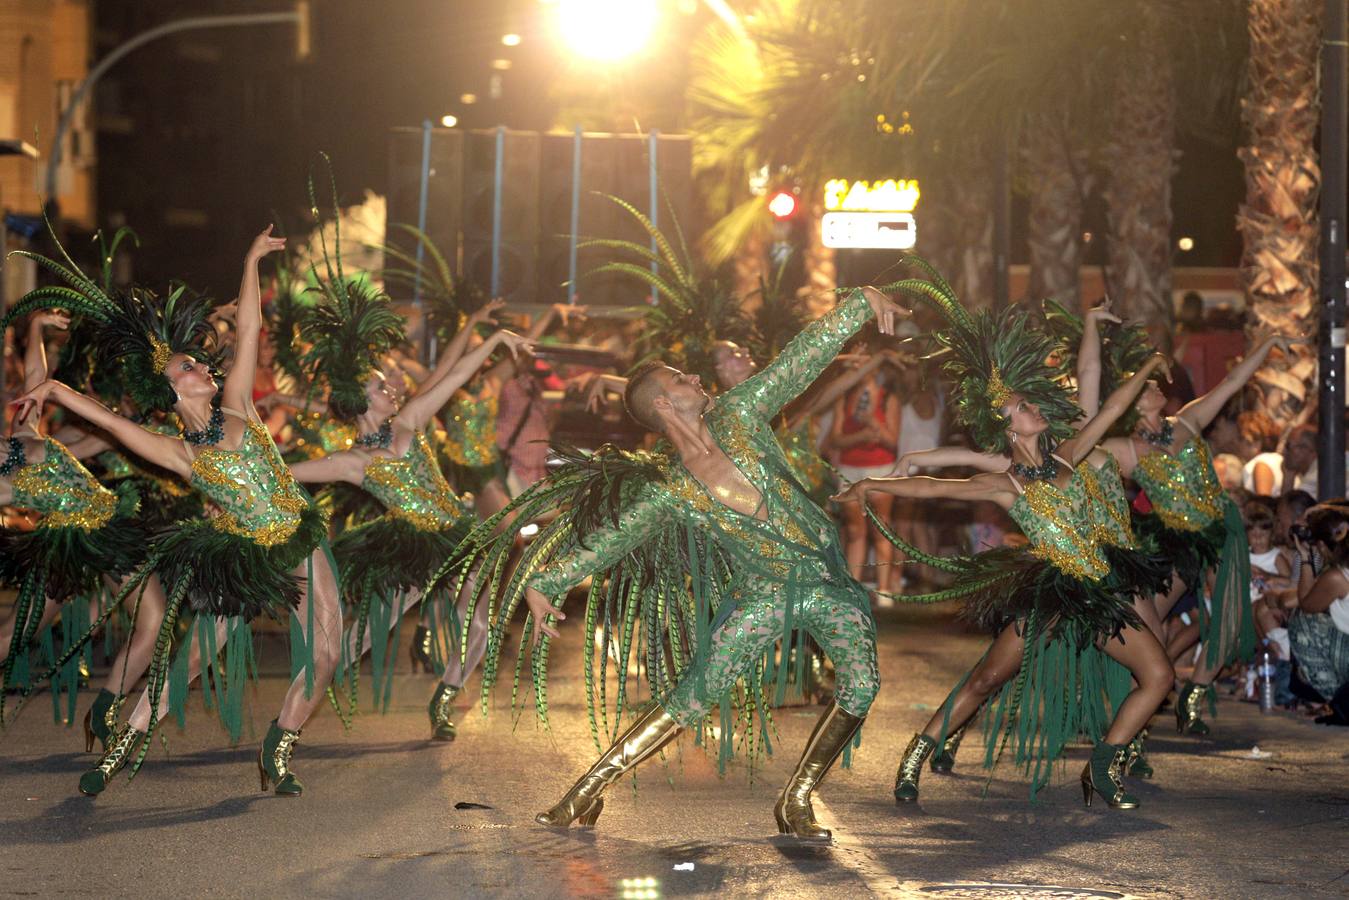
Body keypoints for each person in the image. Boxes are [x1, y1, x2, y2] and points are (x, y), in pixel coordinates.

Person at [432, 284, 908, 840]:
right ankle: (586, 789)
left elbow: (797, 362)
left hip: (825, 581)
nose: (698, 380)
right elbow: (611, 536)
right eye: (684, 380)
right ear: (663, 404)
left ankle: (797, 798)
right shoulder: (673, 489)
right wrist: (546, 581)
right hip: (762, 595)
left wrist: (859, 304)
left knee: (861, 685)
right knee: (694, 695)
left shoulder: (741, 415)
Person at [14, 226, 342, 797]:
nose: (202, 368)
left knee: (328, 649)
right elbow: (113, 424)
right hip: (242, 554)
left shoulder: (238, 406)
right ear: (172, 392)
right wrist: (58, 393)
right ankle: (120, 748)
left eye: (197, 362)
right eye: (188, 366)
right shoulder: (179, 452)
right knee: (191, 658)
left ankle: (279, 747)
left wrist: (249, 257)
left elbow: (248, 329)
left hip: (298, 535)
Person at [838, 264, 1174, 810]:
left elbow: (1110, 407)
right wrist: (869, 483)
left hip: (1101, 590)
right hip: (1053, 594)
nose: (1032, 409)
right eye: (1019, 408)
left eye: (1029, 402)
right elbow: (928, 489)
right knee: (985, 678)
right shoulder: (1005, 484)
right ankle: (917, 753)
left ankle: (1104, 767)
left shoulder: (1070, 456)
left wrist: (1147, 367)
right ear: (1008, 428)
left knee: (1157, 675)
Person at [832, 346, 901, 594]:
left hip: (880, 468)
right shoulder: (843, 397)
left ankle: (884, 591)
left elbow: (893, 441)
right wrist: (861, 434)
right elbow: (835, 440)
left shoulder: (887, 398)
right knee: (854, 531)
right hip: (850, 469)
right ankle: (853, 589)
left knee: (881, 527)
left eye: (865, 360)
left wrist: (875, 426)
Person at [1287, 503, 1349, 716]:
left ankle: (1337, 699)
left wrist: (1305, 556)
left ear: (1322, 546)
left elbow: (1307, 604)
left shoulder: (1337, 577)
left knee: (1302, 622)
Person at [1239, 410, 1284, 496]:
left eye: (1241, 438)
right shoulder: (1274, 459)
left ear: (1256, 443)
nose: (1238, 444)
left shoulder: (1262, 464)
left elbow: (1263, 502)